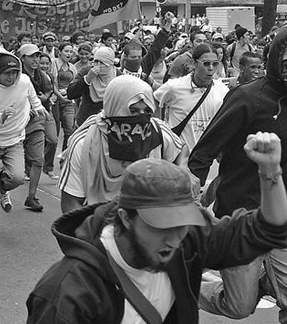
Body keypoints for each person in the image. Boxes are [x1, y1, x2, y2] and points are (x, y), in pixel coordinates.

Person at [19, 131, 287, 324]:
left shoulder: (185, 242)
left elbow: (269, 230)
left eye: (182, 224)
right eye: (162, 226)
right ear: (125, 218)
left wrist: (270, 171)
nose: (174, 238)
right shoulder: (69, 291)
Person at [189, 25, 287, 324]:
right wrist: (189, 197)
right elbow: (205, 150)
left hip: (286, 218)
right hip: (242, 218)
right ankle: (185, 283)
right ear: (275, 57)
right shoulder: (247, 96)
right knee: (240, 306)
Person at [58, 75, 188, 213]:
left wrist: (184, 170)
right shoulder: (84, 144)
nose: (141, 118)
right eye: (133, 111)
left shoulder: (157, 132)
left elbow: (181, 148)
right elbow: (70, 203)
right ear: (115, 107)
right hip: (97, 222)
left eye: (147, 111)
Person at [0, 47, 48, 231]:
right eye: (7, 73)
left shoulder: (24, 81)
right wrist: (2, 117)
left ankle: (1, 184)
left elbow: (32, 96)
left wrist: (39, 107)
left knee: (16, 178)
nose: (11, 77)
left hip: (14, 140)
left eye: (15, 72)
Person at [153, 43, 230, 152]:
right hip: (179, 156)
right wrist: (160, 129)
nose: (211, 68)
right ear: (194, 64)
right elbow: (155, 100)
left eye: (215, 64)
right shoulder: (174, 87)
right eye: (206, 64)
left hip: (207, 158)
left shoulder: (222, 90)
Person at [18, 43, 58, 211]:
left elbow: (50, 90)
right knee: (18, 167)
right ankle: (10, 185)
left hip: (43, 113)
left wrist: (44, 98)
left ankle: (31, 195)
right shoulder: (18, 77)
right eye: (31, 56)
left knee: (53, 140)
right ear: (23, 58)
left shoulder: (43, 75)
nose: (36, 59)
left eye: (37, 56)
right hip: (23, 119)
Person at [68, 46, 121, 127]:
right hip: (85, 122)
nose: (98, 65)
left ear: (110, 63)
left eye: (102, 63)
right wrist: (87, 79)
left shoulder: (118, 76)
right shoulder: (86, 71)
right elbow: (71, 93)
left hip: (108, 124)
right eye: (96, 61)